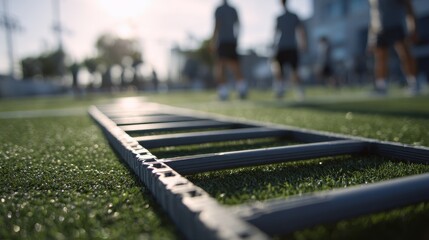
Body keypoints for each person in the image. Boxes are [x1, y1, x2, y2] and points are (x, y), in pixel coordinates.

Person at [368, 0, 419, 95]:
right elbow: (373, 14)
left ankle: (414, 83)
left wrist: (413, 27)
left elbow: (409, 6)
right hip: (379, 29)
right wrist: (370, 37)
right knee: (380, 59)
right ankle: (381, 86)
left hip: (397, 26)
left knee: (405, 55)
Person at [211, 0, 247, 100]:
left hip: (223, 41)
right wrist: (236, 38)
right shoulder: (233, 9)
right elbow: (238, 25)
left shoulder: (219, 9)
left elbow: (217, 25)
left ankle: (224, 92)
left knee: (221, 66)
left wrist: (213, 41)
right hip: (231, 41)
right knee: (235, 66)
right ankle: (242, 89)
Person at [272, 0, 307, 100]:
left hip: (291, 46)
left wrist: (303, 43)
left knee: (295, 70)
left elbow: (300, 30)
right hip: (282, 46)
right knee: (279, 70)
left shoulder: (293, 16)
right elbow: (275, 32)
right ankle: (280, 89)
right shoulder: (279, 17)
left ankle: (299, 90)